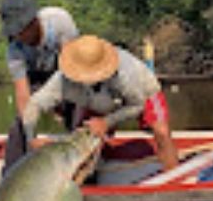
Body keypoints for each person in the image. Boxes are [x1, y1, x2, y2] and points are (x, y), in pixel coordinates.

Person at [22, 35, 180, 171]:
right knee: (82, 142)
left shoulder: (125, 74)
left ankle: (172, 179)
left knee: (162, 133)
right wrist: (31, 139)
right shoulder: (62, 81)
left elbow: (137, 105)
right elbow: (34, 104)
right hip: (97, 102)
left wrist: (106, 122)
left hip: (142, 93)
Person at [0, 0, 79, 173]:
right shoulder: (14, 50)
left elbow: (72, 68)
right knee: (20, 126)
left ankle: (84, 169)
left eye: (21, 29)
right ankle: (9, 177)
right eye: (14, 31)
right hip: (36, 77)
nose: (18, 36)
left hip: (66, 68)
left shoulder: (60, 21)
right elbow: (23, 94)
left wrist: (58, 104)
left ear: (33, 20)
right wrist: (30, 137)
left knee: (77, 109)